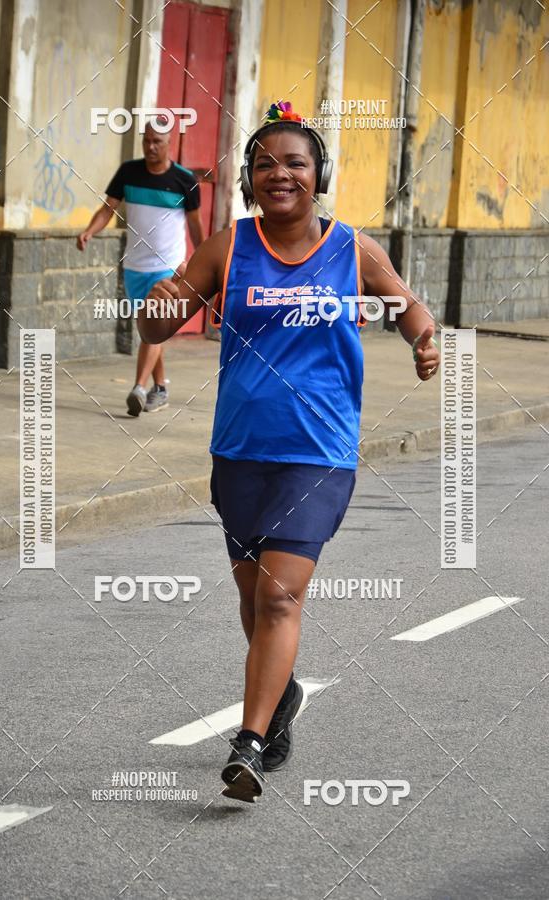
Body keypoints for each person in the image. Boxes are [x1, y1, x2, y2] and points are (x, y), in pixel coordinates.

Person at [138, 101, 440, 803]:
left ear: (318, 175)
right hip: (240, 450)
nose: (279, 173)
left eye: (295, 162)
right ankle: (283, 693)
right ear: (248, 178)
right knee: (254, 600)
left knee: (279, 596)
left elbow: (405, 303)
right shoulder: (228, 247)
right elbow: (164, 314)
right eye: (264, 163)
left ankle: (246, 741)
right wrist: (155, 304)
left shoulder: (351, 249)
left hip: (320, 453)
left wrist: (423, 338)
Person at [77, 121, 205, 415]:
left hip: (169, 268)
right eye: (146, 141)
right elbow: (108, 208)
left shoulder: (185, 180)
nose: (151, 147)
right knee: (151, 330)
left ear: (169, 142)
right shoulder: (128, 172)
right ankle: (160, 389)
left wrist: (201, 261)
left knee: (154, 329)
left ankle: (138, 387)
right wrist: (90, 231)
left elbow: (196, 226)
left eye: (157, 141)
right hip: (134, 267)